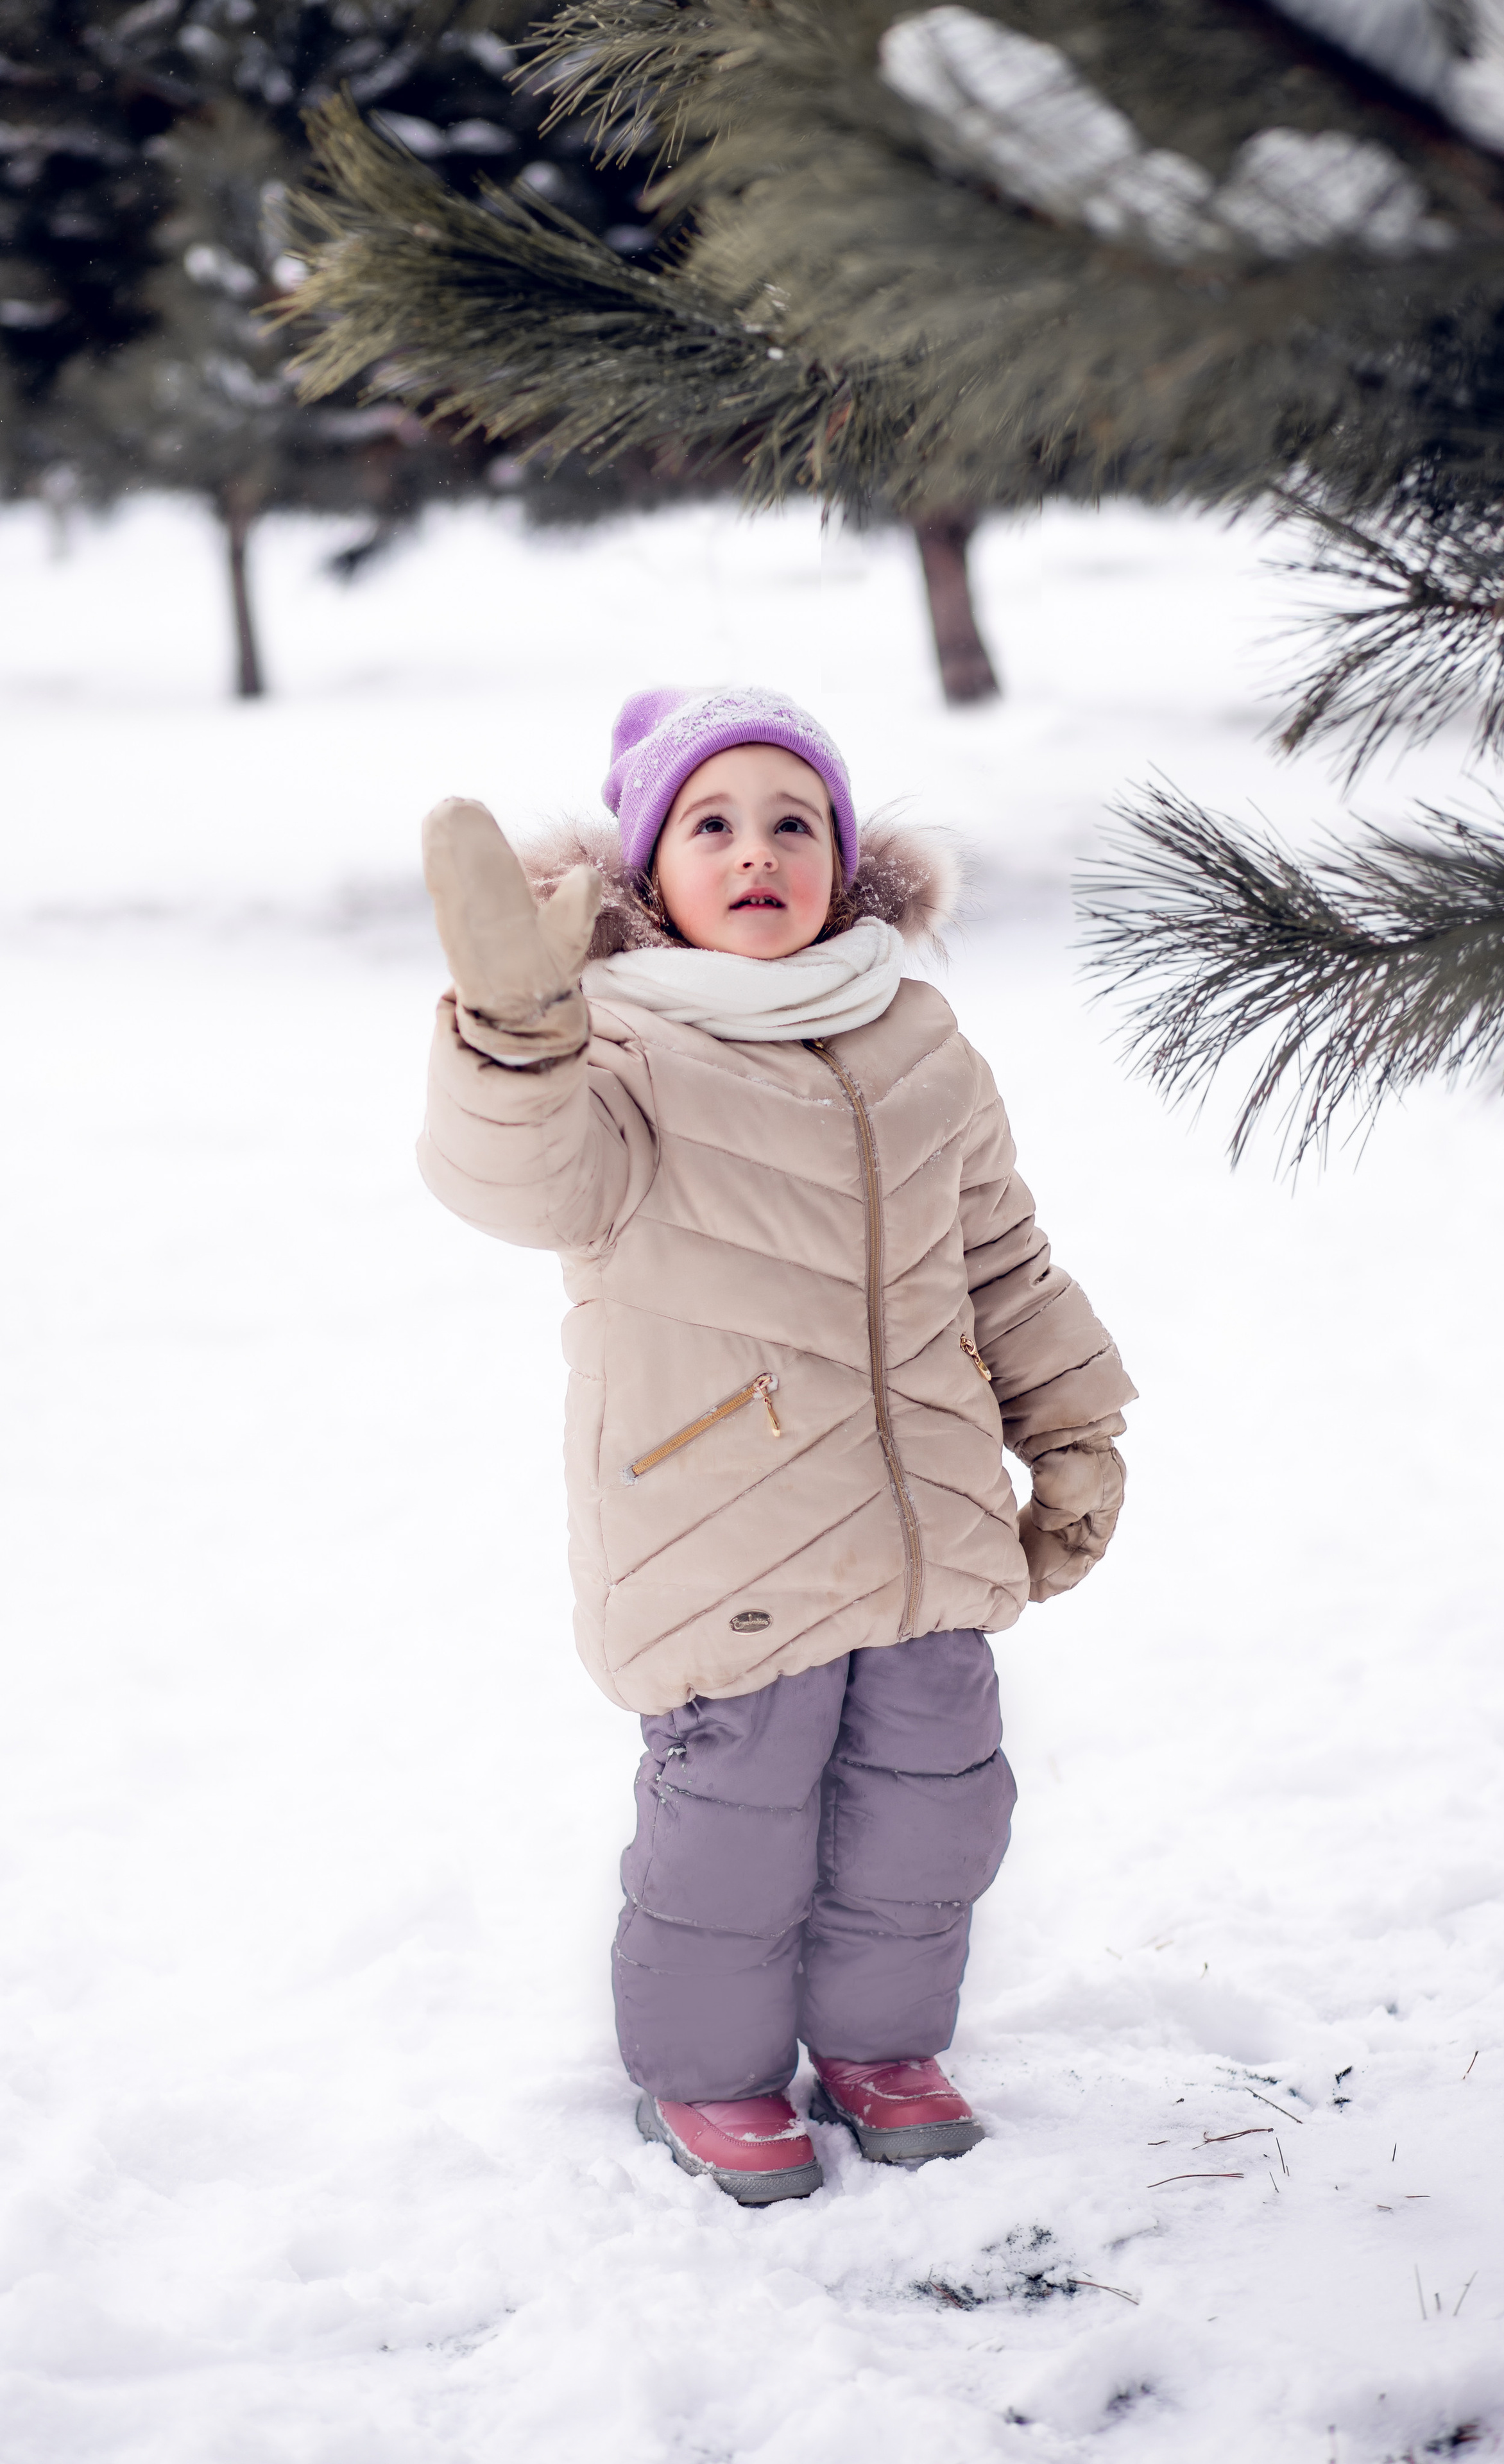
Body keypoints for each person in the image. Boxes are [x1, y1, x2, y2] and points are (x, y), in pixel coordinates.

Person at [418, 685, 1135, 2204]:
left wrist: (1068, 1427)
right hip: (718, 1521)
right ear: (645, 872)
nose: (756, 853)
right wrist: (510, 1041)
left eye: (792, 821)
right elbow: (524, 1186)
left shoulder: (917, 1037)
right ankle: (709, 2074)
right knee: (734, 1820)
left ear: (846, 858)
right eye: (712, 824)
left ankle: (881, 2046)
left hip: (928, 1521)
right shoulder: (614, 1047)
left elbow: (1002, 1258)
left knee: (932, 1804)